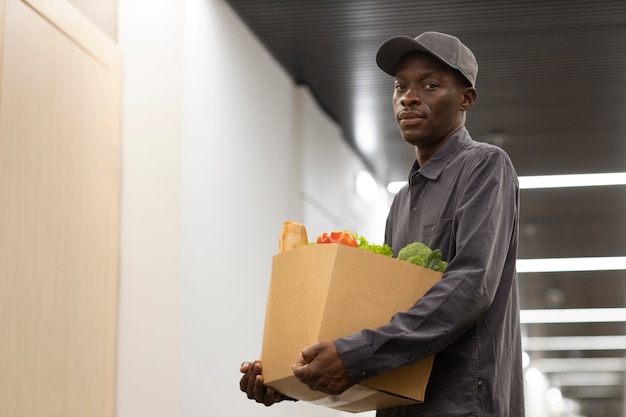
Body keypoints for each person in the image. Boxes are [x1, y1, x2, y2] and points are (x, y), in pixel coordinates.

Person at [240, 31, 525, 416]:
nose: (408, 96)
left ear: (466, 98)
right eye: (400, 86)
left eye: (430, 85)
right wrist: (294, 376)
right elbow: (382, 314)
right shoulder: (402, 201)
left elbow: (471, 285)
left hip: (460, 405)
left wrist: (355, 354)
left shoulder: (485, 166)